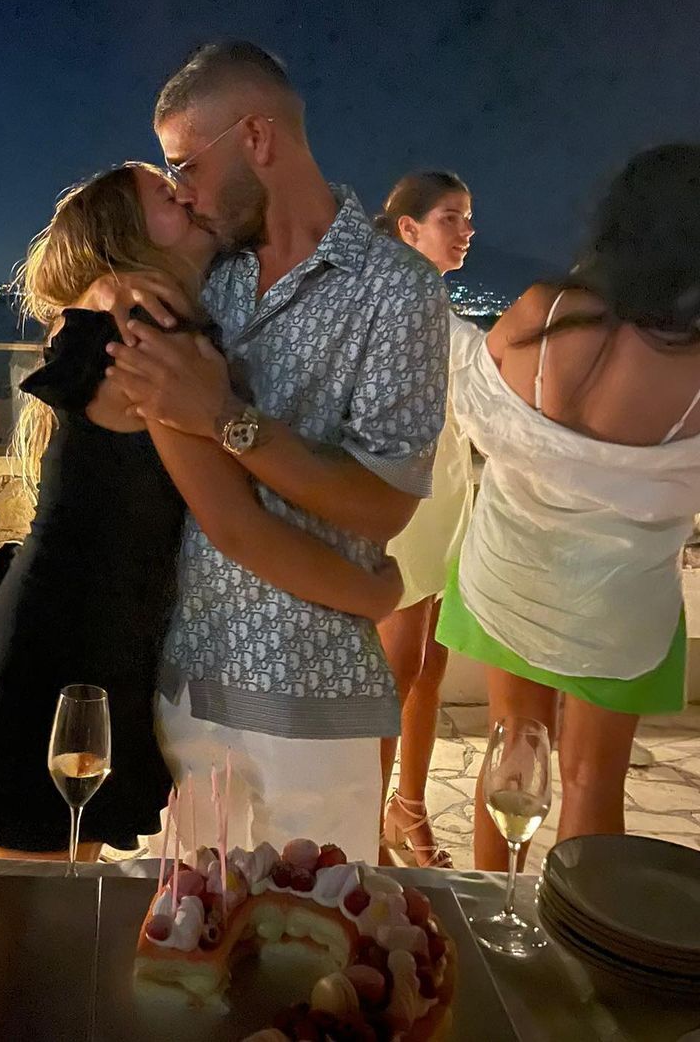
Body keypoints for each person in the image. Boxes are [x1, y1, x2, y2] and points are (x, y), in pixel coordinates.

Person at [0, 160, 404, 858]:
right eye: (164, 192)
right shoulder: (146, 332)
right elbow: (235, 525)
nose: (185, 193)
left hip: (68, 630)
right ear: (126, 232)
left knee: (34, 886)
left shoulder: (125, 315)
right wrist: (372, 594)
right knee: (35, 899)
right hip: (68, 646)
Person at [102, 42, 451, 860]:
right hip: (186, 686)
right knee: (184, 929)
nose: (183, 190)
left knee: (321, 931)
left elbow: (383, 505)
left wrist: (227, 418)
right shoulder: (203, 275)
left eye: (187, 164)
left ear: (257, 137)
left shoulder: (397, 288)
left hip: (315, 699)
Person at [436, 143, 700, 870]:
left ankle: (489, 921)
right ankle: (577, 934)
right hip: (618, 609)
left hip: (510, 577)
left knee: (510, 752)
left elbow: (476, 404)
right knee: (591, 780)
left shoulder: (544, 312)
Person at [374, 172, 476, 868]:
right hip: (405, 501)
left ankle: (407, 807)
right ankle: (363, 821)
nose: (466, 231)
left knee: (432, 664)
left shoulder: (438, 307)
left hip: (449, 498)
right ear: (408, 228)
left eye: (468, 219)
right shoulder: (389, 305)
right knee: (398, 668)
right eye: (450, 218)